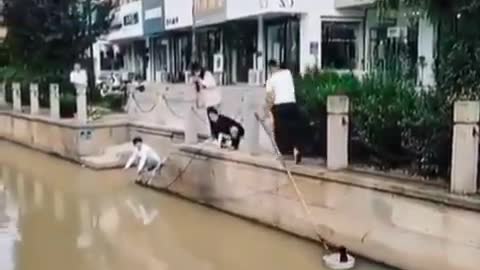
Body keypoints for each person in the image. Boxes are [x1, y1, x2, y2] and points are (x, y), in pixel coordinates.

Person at [264, 60, 303, 164]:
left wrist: (266, 111)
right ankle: (296, 149)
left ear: (270, 68)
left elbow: (270, 98)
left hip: (279, 107)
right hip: (292, 105)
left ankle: (282, 154)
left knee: (280, 131)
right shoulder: (288, 74)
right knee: (293, 129)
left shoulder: (270, 80)